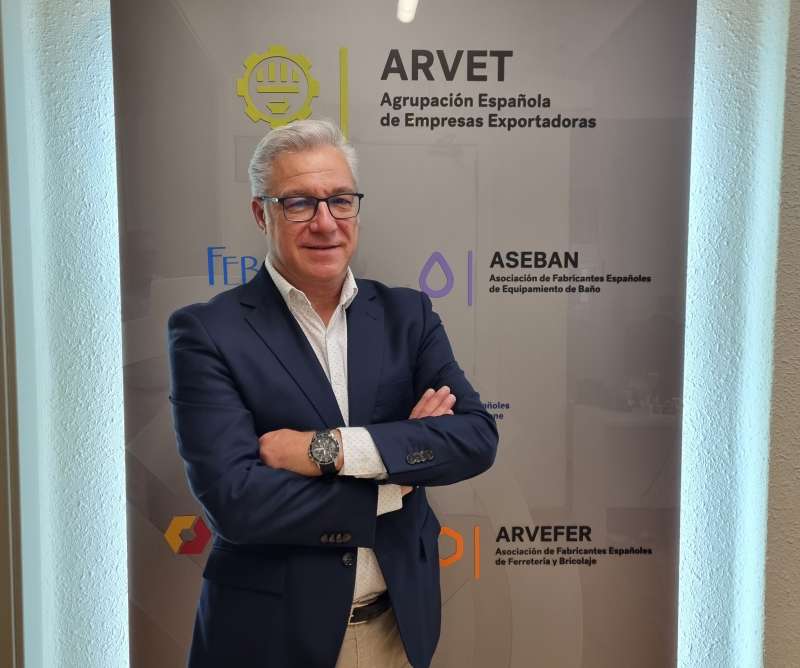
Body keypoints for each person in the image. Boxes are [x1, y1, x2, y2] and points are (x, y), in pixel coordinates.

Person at [168, 119, 498, 668]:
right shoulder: (207, 332)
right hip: (270, 640)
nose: (325, 223)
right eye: (299, 203)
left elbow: (475, 438)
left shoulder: (407, 315)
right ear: (262, 214)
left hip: (398, 629)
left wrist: (328, 450)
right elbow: (236, 502)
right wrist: (394, 476)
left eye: (340, 200)